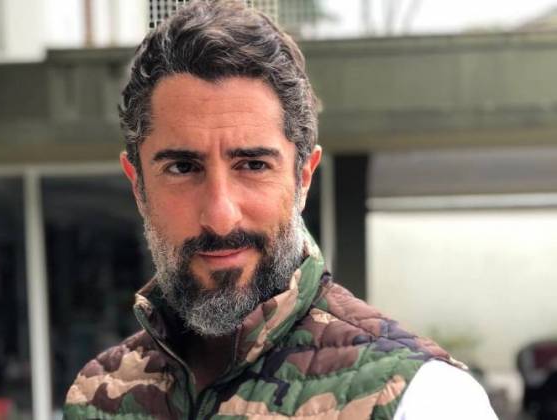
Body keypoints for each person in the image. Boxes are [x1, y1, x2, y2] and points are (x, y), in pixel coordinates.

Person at [64, 1, 498, 418]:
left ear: (303, 177)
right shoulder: (98, 397)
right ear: (138, 185)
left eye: (253, 165)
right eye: (182, 167)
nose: (220, 216)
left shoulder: (418, 399)